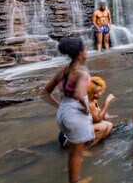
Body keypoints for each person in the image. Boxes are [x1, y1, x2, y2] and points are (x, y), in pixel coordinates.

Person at [43, 37, 94, 183]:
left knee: (74, 150)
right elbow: (79, 94)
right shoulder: (82, 72)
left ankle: (73, 173)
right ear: (79, 54)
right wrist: (87, 108)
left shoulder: (63, 72)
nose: (87, 52)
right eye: (85, 50)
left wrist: (59, 106)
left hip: (63, 112)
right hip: (75, 114)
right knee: (76, 153)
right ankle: (75, 180)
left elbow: (45, 92)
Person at [87, 76, 115, 146]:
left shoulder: (93, 100)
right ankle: (86, 149)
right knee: (103, 127)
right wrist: (107, 102)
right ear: (89, 92)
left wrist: (107, 116)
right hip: (67, 136)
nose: (99, 94)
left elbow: (99, 115)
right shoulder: (89, 103)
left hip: (82, 128)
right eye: (96, 93)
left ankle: (96, 144)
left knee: (109, 125)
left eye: (100, 91)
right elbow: (98, 120)